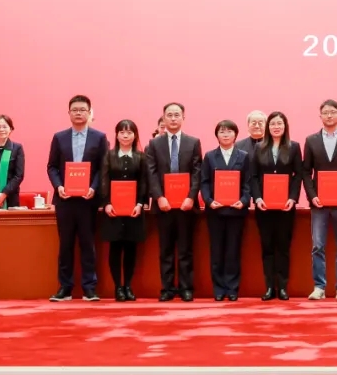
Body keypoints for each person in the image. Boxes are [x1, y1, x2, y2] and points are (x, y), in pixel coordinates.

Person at [47, 95, 109, 301]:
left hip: (88, 200)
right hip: (65, 200)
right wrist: (59, 186)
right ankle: (65, 288)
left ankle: (89, 287)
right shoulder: (59, 137)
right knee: (65, 245)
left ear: (89, 113)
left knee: (88, 244)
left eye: (83, 110)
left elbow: (103, 168)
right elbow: (52, 167)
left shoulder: (99, 137)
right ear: (69, 113)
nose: (79, 113)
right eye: (75, 110)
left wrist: (93, 188)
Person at [302, 99, 337, 300]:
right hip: (319, 203)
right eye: (325, 112)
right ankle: (319, 287)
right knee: (317, 246)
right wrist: (312, 196)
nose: (329, 115)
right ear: (320, 116)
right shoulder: (311, 140)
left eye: (333, 112)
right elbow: (306, 172)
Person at [145, 102, 202, 302]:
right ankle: (167, 288)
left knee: (185, 249)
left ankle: (186, 288)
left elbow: (197, 172)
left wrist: (191, 197)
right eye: (169, 115)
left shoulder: (193, 142)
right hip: (164, 205)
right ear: (163, 118)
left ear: (183, 118)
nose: (173, 118)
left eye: (177, 114)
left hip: (186, 205)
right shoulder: (154, 144)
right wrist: (159, 197)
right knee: (166, 250)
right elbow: (151, 173)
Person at [250, 111, 303, 300]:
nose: (276, 127)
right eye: (273, 124)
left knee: (283, 247)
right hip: (264, 207)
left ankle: (282, 287)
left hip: (285, 207)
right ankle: (269, 288)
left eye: (279, 123)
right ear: (268, 127)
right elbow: (253, 176)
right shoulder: (259, 147)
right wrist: (257, 198)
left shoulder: (294, 147)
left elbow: (298, 175)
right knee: (267, 247)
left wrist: (293, 198)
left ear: (285, 126)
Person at [200, 119, 252, 301]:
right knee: (217, 251)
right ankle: (219, 289)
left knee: (233, 251)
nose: (226, 135)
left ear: (235, 135)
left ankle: (232, 288)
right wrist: (209, 200)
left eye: (229, 131)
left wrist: (244, 200)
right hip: (215, 211)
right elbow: (204, 182)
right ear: (217, 135)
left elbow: (248, 182)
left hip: (236, 212)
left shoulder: (244, 156)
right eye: (222, 131)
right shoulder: (209, 156)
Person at [100, 119, 148, 301]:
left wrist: (140, 204)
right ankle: (117, 287)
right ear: (117, 135)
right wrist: (106, 203)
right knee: (115, 248)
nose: (125, 135)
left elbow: (144, 182)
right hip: (113, 210)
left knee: (130, 249)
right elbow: (104, 180)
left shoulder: (141, 157)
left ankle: (128, 285)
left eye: (129, 132)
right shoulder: (109, 155)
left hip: (134, 211)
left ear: (135, 135)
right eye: (122, 132)